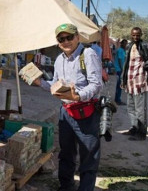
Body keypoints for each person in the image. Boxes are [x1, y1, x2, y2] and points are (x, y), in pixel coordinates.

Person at [29, 23, 103, 191]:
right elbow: (56, 85)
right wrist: (39, 82)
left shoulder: (88, 54)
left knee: (88, 157)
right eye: (61, 39)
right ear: (58, 42)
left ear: (77, 37)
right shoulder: (60, 59)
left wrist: (78, 96)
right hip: (66, 113)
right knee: (66, 154)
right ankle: (66, 186)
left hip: (87, 113)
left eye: (69, 37)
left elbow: (96, 85)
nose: (66, 41)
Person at [121, 27, 148, 141]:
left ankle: (141, 133)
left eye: (137, 35)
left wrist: (146, 65)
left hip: (140, 81)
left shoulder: (146, 45)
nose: (135, 37)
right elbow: (126, 64)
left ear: (141, 35)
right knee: (130, 107)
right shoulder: (129, 46)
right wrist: (123, 79)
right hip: (129, 81)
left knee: (140, 109)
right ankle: (134, 127)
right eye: (133, 35)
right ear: (130, 35)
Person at [114, 39, 127, 105]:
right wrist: (122, 69)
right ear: (122, 44)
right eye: (125, 44)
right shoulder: (120, 50)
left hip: (120, 69)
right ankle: (117, 100)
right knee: (119, 85)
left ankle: (117, 99)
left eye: (126, 44)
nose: (125, 45)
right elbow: (119, 60)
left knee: (119, 85)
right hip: (119, 69)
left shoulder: (123, 51)